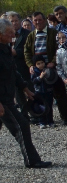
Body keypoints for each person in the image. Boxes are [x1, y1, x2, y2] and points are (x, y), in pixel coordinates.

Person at [0, 17, 50, 168]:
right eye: (9, 33)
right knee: (21, 125)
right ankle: (32, 160)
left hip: (7, 95)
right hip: (2, 99)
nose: (13, 36)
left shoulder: (6, 49)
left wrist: (26, 89)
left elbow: (13, 72)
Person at [23, 11, 67, 126]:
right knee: (40, 95)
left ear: (44, 20)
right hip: (37, 70)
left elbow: (58, 47)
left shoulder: (53, 32)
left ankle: (66, 118)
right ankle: (42, 118)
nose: (38, 22)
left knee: (60, 94)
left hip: (52, 68)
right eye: (35, 20)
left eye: (40, 20)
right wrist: (30, 65)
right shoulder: (31, 35)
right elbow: (27, 52)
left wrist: (53, 62)